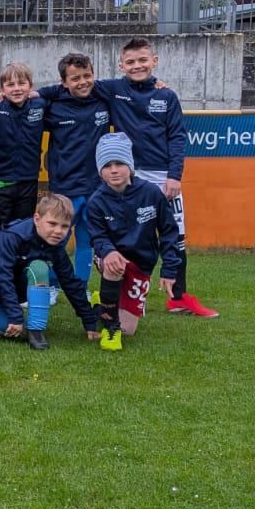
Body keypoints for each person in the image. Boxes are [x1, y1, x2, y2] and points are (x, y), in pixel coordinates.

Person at [99, 37, 216, 318]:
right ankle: (116, 294)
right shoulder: (113, 89)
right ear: (121, 65)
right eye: (130, 62)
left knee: (175, 235)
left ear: (154, 60)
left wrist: (174, 176)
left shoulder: (167, 96)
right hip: (129, 175)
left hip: (163, 176)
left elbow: (177, 137)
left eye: (143, 60)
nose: (137, 66)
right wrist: (33, 94)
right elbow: (76, 85)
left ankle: (178, 298)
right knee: (124, 235)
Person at [87, 133, 183, 352]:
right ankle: (111, 328)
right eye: (107, 165)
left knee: (129, 329)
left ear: (130, 166)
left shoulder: (151, 193)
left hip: (141, 263)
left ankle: (101, 302)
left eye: (119, 163)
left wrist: (170, 269)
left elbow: (169, 231)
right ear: (100, 170)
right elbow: (98, 236)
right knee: (115, 265)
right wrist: (108, 252)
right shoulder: (96, 201)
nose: (114, 170)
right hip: (111, 257)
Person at [0, 191, 100, 351]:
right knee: (6, 329)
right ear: (37, 219)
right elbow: (2, 278)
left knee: (39, 266)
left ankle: (36, 330)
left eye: (64, 226)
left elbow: (70, 282)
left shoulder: (55, 245)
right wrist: (15, 316)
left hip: (18, 290)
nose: (58, 231)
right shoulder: (12, 236)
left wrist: (89, 322)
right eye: (52, 224)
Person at [38, 52, 110, 285]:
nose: (83, 82)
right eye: (75, 78)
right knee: (56, 239)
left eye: (87, 76)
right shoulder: (53, 106)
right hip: (65, 187)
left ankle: (81, 286)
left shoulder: (104, 100)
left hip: (96, 187)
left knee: (86, 241)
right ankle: (51, 285)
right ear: (64, 82)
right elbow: (30, 99)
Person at [0, 62, 46, 252]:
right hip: (0, 184)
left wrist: (41, 94)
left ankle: (19, 268)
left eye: (21, 83)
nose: (16, 89)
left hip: (28, 181)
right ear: (2, 89)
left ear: (31, 86)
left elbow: (59, 94)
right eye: (10, 85)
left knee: (24, 230)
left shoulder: (40, 105)